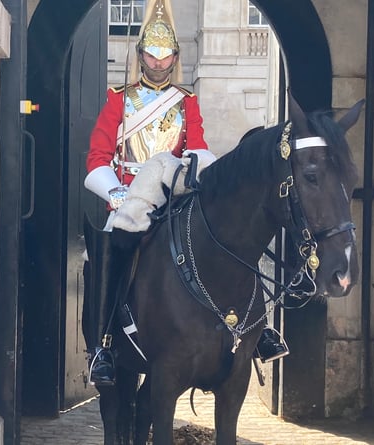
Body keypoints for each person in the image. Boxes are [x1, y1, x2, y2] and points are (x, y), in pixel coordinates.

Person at [82, 0, 287, 387]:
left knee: (229, 239)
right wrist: (116, 195)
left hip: (172, 194)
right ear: (141, 54)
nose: (158, 62)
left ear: (175, 56)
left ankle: (257, 330)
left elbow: (198, 145)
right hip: (127, 195)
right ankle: (103, 345)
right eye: (151, 54)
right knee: (109, 252)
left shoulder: (186, 101)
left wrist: (199, 163)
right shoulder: (119, 99)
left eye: (165, 55)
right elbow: (97, 158)